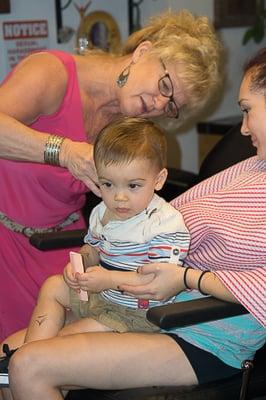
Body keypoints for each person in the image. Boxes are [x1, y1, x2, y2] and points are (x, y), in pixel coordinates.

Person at [0, 48, 265, 400]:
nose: (243, 126)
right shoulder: (252, 168)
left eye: (247, 110)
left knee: (27, 365)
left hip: (204, 331)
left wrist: (187, 278)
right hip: (159, 303)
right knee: (7, 358)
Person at [0, 9, 222, 342]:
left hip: (68, 246)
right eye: (165, 85)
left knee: (70, 357)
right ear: (143, 52)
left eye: (171, 105)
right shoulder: (51, 74)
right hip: (7, 244)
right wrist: (64, 151)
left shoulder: (125, 126)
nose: (160, 103)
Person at [1, 117, 190, 353]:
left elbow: (157, 282)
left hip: (137, 313)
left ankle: (33, 358)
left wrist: (108, 280)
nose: (119, 197)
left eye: (132, 186)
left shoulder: (164, 223)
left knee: (66, 338)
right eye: (108, 184)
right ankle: (30, 353)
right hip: (103, 296)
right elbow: (93, 248)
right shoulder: (103, 211)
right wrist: (80, 262)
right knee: (53, 286)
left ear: (158, 180)